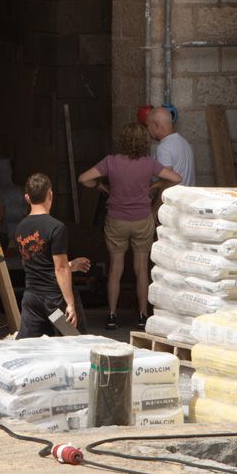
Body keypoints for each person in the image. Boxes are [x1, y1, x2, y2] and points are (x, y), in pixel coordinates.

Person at [79, 124, 182, 331]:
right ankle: (143, 315)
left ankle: (111, 316)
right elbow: (177, 178)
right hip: (142, 219)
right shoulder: (149, 163)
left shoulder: (110, 162)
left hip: (116, 219)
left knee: (116, 269)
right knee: (141, 269)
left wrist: (98, 186)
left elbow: (83, 178)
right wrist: (155, 185)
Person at [14, 173, 90, 339]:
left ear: (27, 198)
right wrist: (70, 304)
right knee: (72, 340)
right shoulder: (56, 227)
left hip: (31, 300)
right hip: (53, 302)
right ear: (50, 194)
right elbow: (60, 268)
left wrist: (71, 265)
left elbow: (39, 264)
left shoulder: (20, 228)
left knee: (28, 345)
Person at [146, 106, 195, 187]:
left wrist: (156, 198)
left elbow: (165, 183)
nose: (148, 129)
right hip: (186, 197)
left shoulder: (163, 148)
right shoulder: (184, 142)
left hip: (173, 199)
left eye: (148, 125)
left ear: (156, 125)